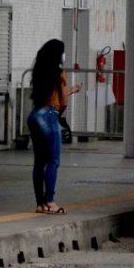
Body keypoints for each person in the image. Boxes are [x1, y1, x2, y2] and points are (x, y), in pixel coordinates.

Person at [27, 39, 81, 214]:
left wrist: (70, 90)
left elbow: (53, 95)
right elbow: (62, 101)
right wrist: (61, 111)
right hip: (50, 117)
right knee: (53, 161)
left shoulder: (39, 71)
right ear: (58, 55)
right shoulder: (60, 73)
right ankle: (50, 202)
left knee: (39, 163)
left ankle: (40, 204)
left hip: (35, 116)